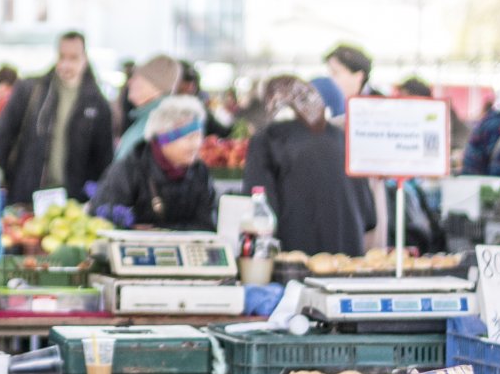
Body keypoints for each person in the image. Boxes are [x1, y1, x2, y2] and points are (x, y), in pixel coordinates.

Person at [242, 77, 376, 255]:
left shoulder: (267, 141)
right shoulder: (344, 139)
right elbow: (370, 218)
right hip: (347, 268)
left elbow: (259, 216)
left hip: (294, 269)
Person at [0, 31, 115, 206]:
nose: (66, 64)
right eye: (62, 57)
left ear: (85, 58)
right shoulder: (31, 90)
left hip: (72, 202)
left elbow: (104, 160)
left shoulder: (98, 104)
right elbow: (3, 135)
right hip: (26, 197)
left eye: (73, 58)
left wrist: (97, 199)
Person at [89, 95, 219, 230]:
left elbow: (207, 223)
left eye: (199, 136)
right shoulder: (129, 170)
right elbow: (102, 215)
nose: (196, 145)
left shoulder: (200, 173)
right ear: (164, 137)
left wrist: (161, 232)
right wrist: (131, 229)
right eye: (189, 137)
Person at [114, 55, 182, 162]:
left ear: (154, 86)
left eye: (136, 78)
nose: (130, 82)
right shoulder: (146, 119)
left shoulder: (159, 124)